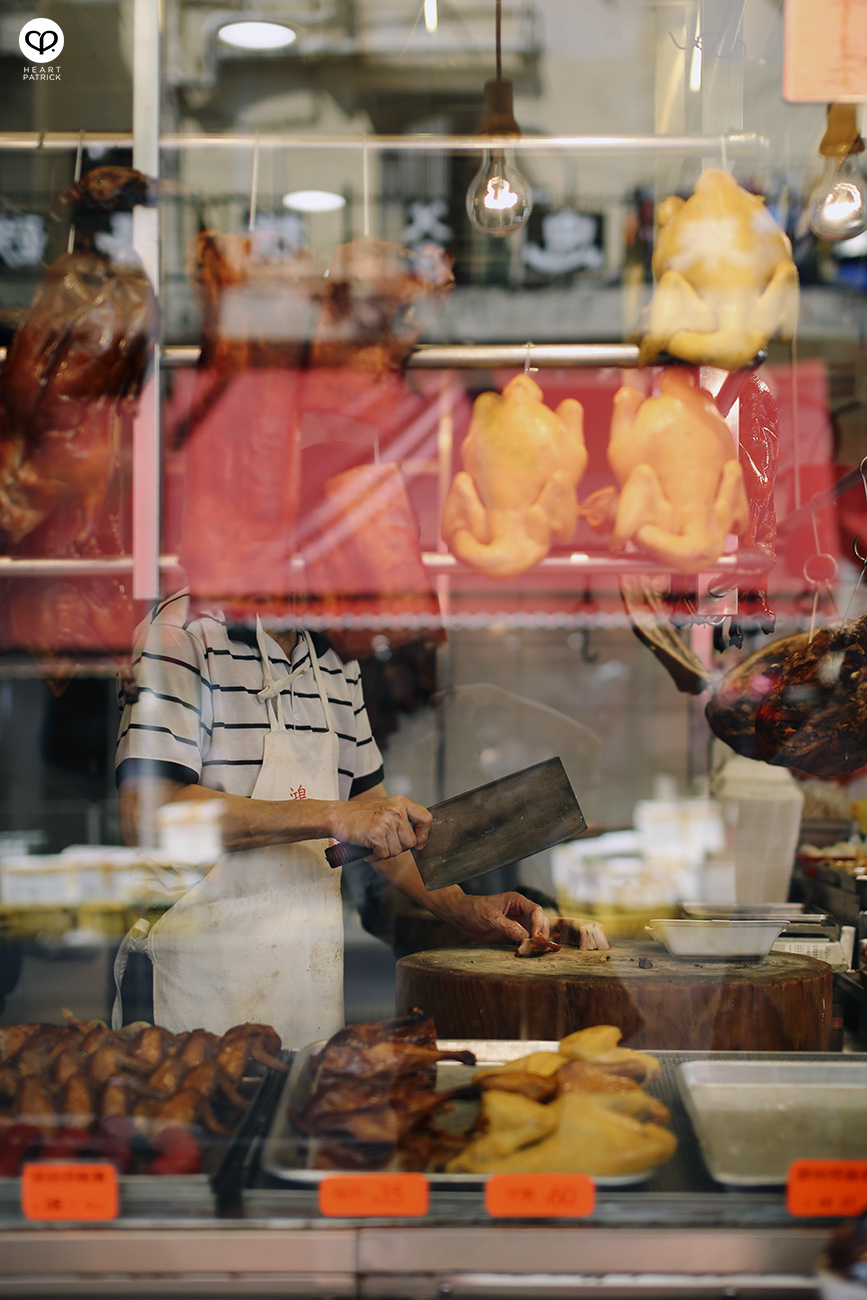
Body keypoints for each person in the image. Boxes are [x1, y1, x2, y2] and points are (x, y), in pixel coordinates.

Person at [114, 591, 548, 1046]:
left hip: (304, 987)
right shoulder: (183, 633)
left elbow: (379, 826)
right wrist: (334, 815)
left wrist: (460, 907)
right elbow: (146, 813)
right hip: (194, 990)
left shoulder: (336, 657)